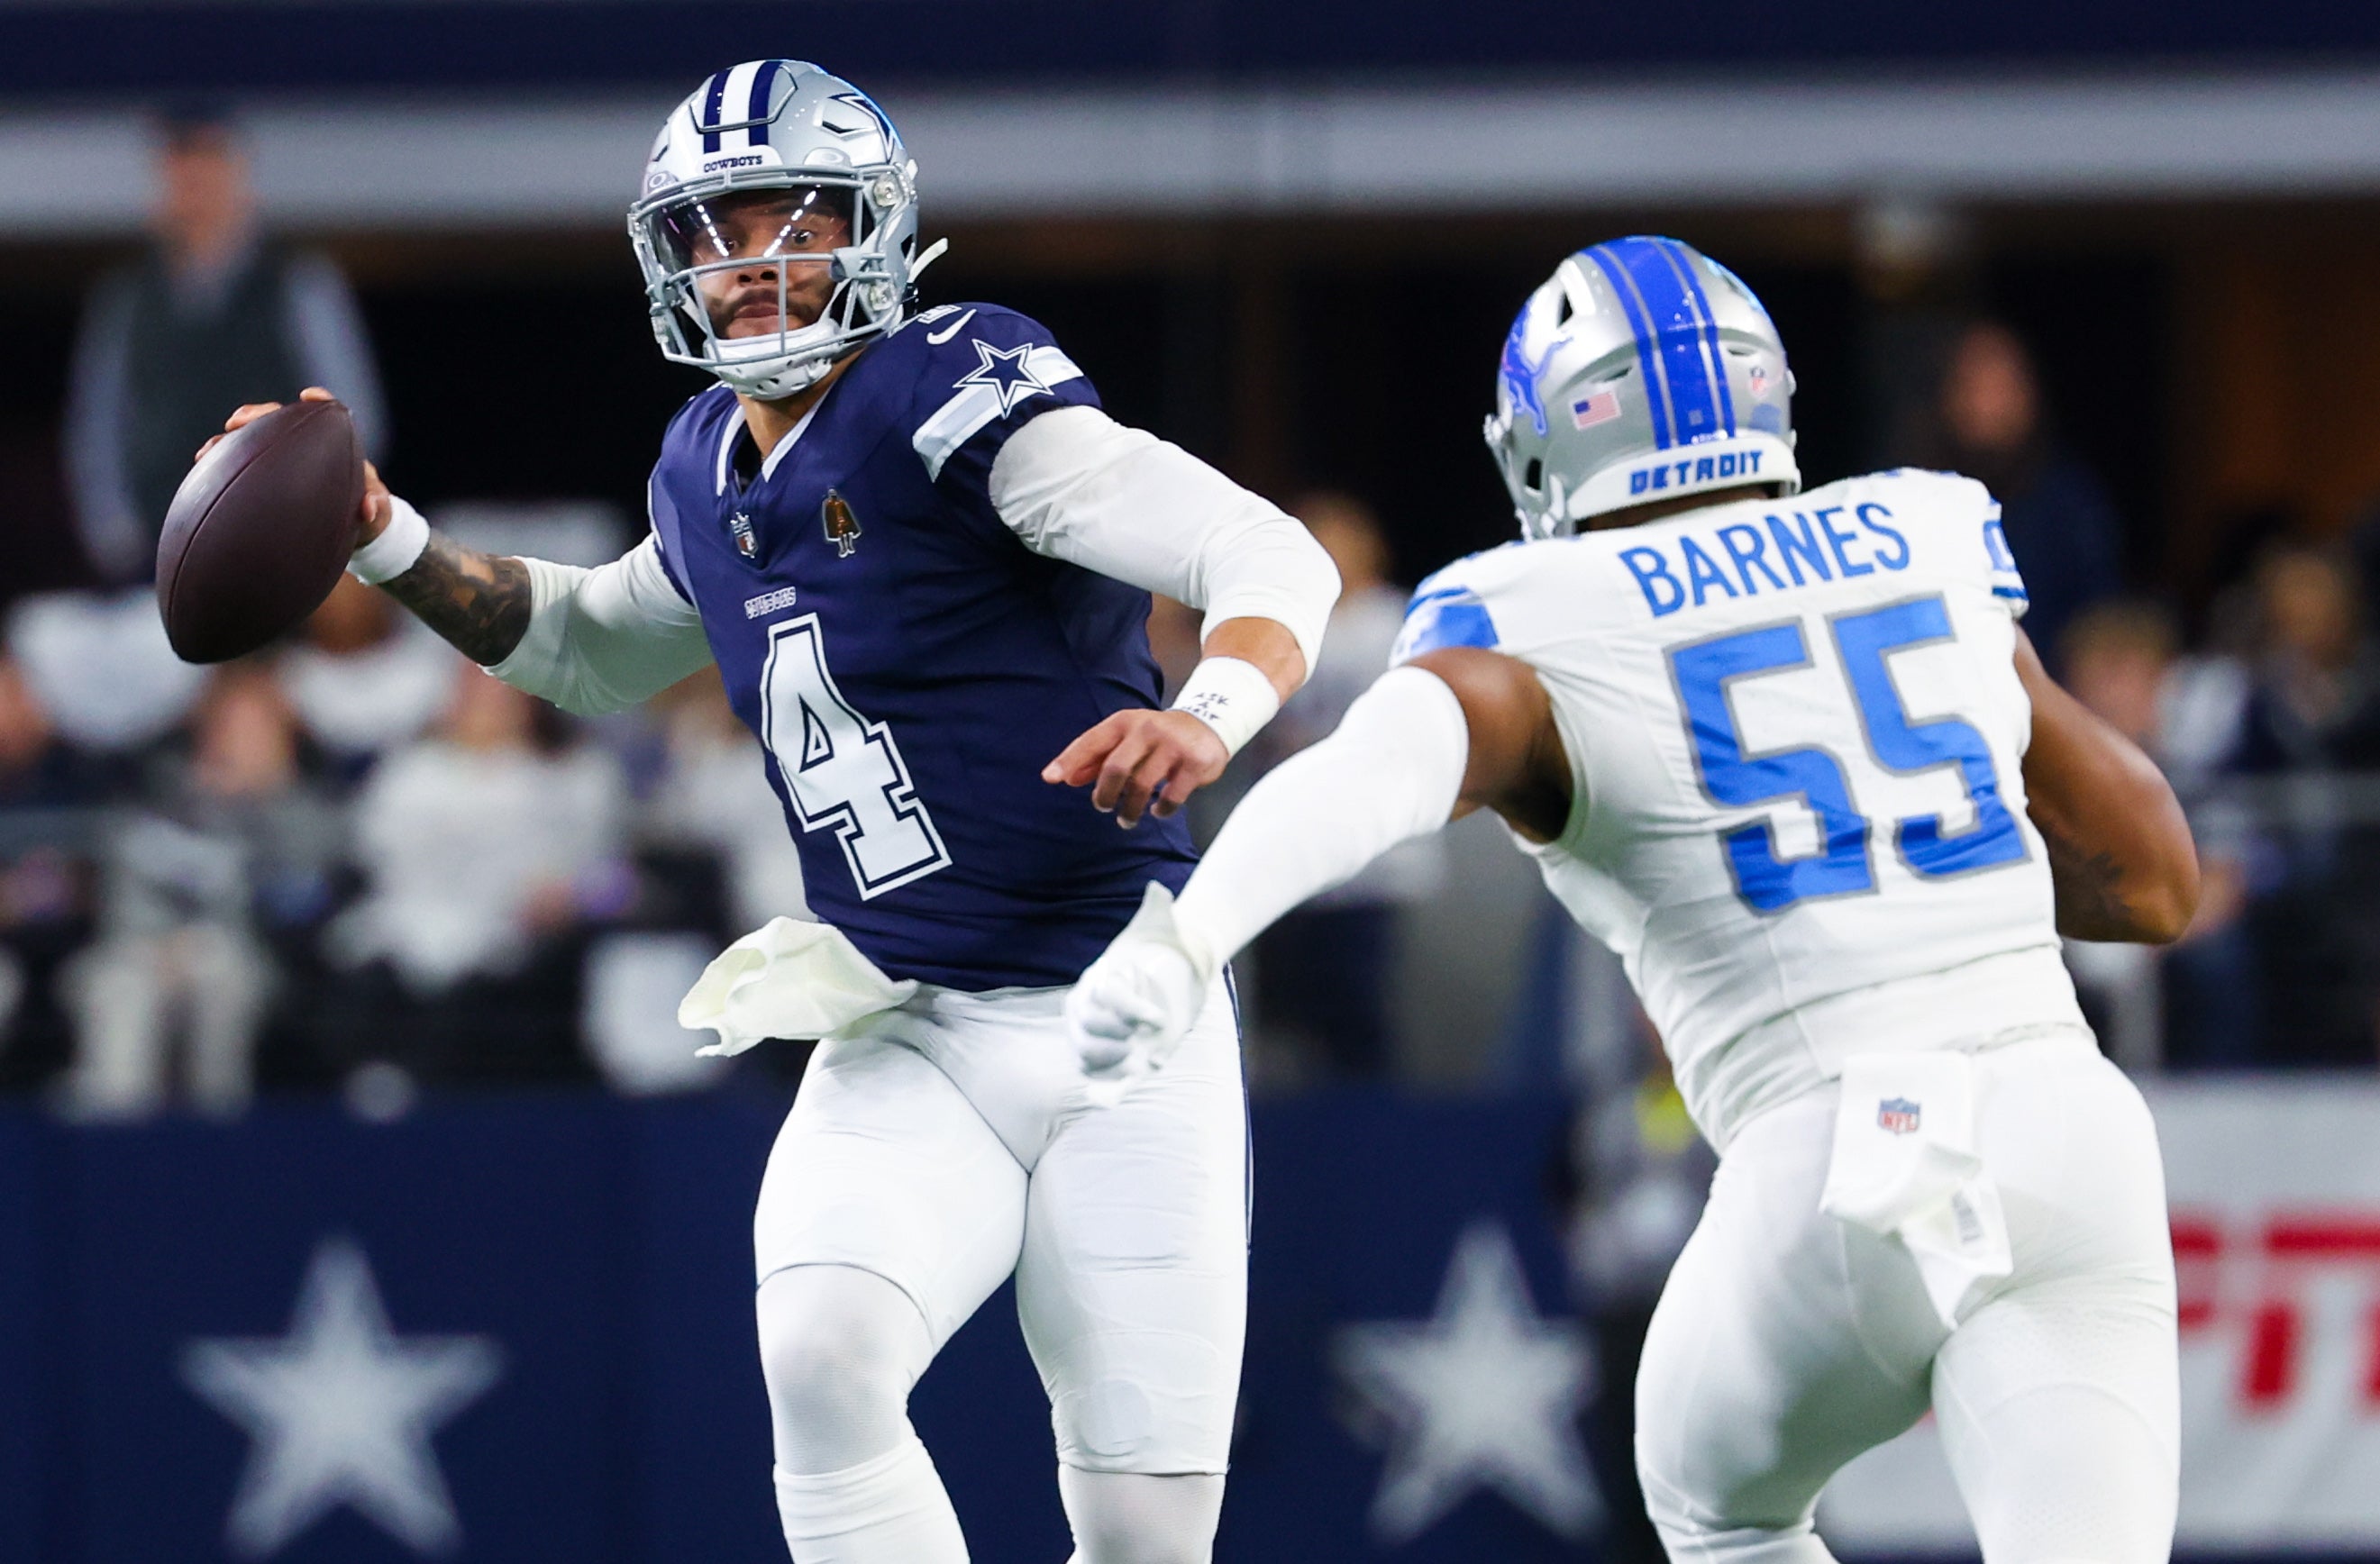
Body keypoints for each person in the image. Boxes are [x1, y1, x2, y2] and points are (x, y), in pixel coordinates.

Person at [205, 60, 1337, 1564]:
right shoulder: (704, 467)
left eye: (779, 222)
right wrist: (381, 534)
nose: (739, 265)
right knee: (821, 1357)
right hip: (904, 1017)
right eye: (706, 233)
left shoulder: (962, 401)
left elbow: (1268, 555)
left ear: (873, 230)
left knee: (1142, 1535)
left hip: (1119, 1018)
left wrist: (1206, 714)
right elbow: (592, 646)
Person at [1070, 238, 2196, 1564]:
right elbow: (2154, 882)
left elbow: (1376, 769)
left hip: (1832, 1148)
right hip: (2070, 1128)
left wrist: (1192, 934)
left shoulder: (1532, 614)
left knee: (1714, 1501)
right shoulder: (1920, 538)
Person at [66, 105, 385, 586]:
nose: (195, 188)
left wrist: (320, 523)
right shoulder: (127, 299)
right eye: (181, 171)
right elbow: (97, 428)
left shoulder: (297, 283)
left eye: (209, 165)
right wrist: (117, 536)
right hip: (160, 546)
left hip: (281, 546)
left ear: (239, 174)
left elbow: (353, 417)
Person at [1929, 321, 2124, 668]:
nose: (1987, 407)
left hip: (2049, 689)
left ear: (2028, 396)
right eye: (1974, 387)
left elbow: (2101, 624)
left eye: (2001, 388)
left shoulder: (2071, 505)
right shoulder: (1915, 500)